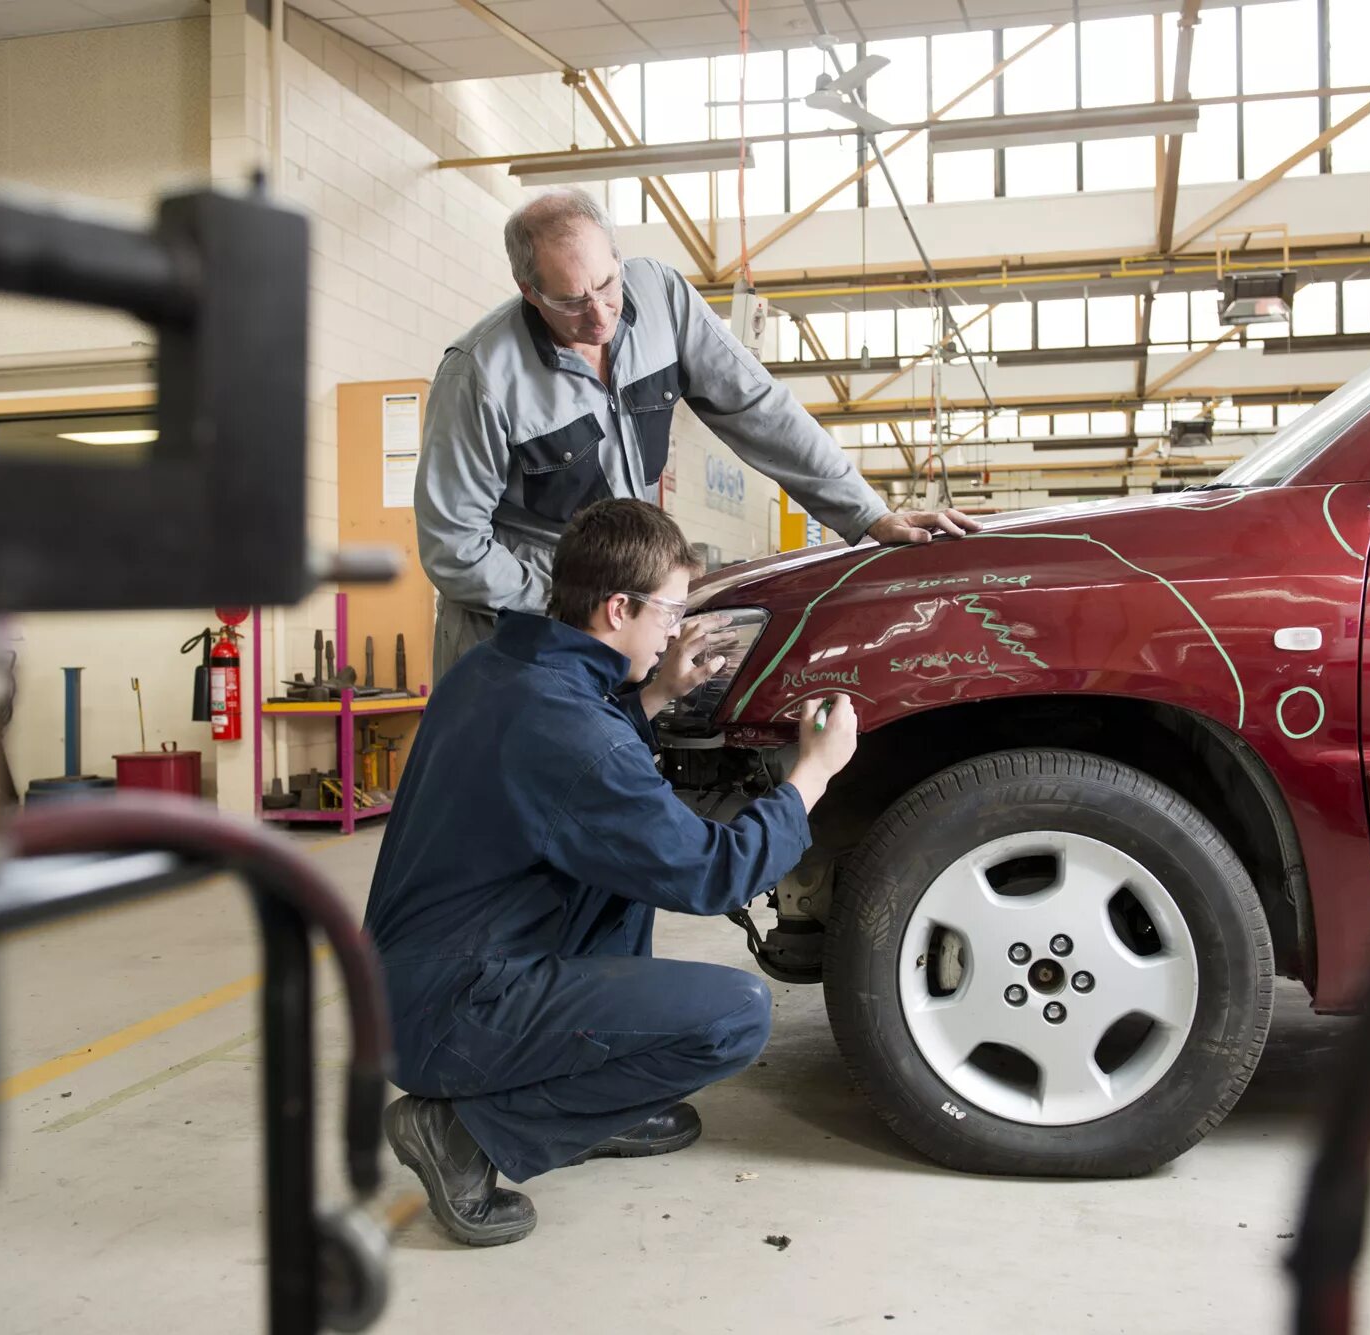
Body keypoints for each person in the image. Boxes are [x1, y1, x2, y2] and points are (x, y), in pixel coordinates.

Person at [364, 498, 861, 1247]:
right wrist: (811, 777)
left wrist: (656, 691)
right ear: (617, 605)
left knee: (622, 871)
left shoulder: (498, 667)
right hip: (452, 1012)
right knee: (734, 1016)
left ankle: (590, 1105)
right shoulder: (573, 730)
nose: (675, 628)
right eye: (668, 611)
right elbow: (709, 874)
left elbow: (573, 769)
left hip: (410, 982)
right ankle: (465, 1130)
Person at [415, 185, 979, 682]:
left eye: (607, 285)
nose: (599, 316)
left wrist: (867, 513)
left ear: (617, 253)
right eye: (570, 301)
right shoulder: (480, 375)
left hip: (616, 617)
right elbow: (454, 547)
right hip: (513, 636)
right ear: (528, 290)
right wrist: (575, 607)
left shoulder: (660, 297)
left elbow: (759, 407)